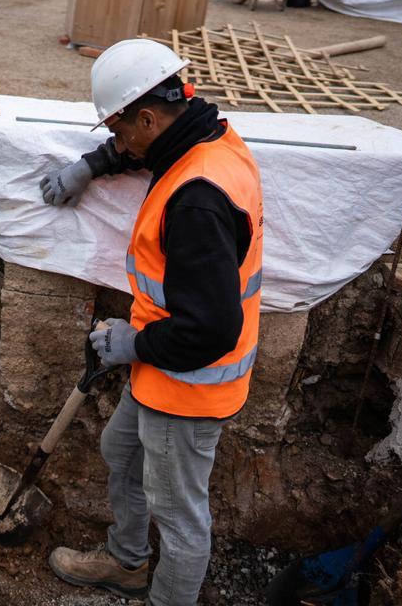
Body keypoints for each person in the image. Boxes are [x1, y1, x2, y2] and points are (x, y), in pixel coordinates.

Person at [40, 39, 264, 604]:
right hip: (163, 372)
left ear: (147, 115)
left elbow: (210, 331)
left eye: (117, 130)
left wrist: (129, 343)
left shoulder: (196, 201)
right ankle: (128, 563)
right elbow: (148, 148)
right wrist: (94, 164)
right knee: (121, 451)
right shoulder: (205, 135)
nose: (119, 143)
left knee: (180, 517)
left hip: (188, 386)